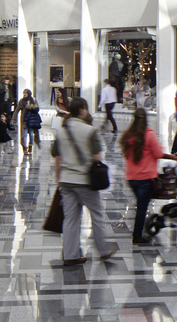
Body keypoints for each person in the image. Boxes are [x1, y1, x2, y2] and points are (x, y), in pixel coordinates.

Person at [52, 97, 118, 265]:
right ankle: (103, 249)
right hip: (85, 181)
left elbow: (57, 156)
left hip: (66, 182)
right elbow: (97, 156)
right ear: (81, 110)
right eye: (86, 109)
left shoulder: (61, 131)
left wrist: (58, 179)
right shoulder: (89, 131)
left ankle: (70, 255)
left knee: (70, 219)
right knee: (96, 214)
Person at [120, 108, 166, 245]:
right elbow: (158, 154)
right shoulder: (149, 135)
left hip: (131, 178)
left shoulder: (128, 135)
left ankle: (139, 232)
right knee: (141, 208)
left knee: (140, 205)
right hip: (145, 178)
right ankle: (137, 235)